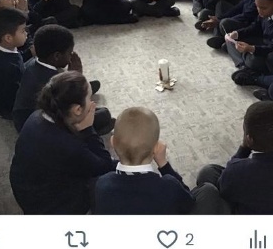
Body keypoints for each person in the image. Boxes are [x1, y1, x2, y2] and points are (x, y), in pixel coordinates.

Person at [10, 71, 116, 215]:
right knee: (110, 176)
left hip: (26, 187)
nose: (93, 104)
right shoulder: (68, 146)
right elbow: (104, 166)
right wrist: (88, 129)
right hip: (50, 206)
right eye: (90, 98)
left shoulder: (36, 115)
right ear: (77, 109)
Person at [196, 101, 273, 214]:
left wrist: (244, 148)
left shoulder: (238, 170)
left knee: (207, 175)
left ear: (248, 139)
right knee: (214, 172)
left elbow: (224, 188)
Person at [94, 107, 195, 214]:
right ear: (156, 148)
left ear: (112, 142)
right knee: (205, 188)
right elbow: (189, 202)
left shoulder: (102, 184)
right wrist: (164, 165)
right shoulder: (169, 186)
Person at [12, 24, 110, 133]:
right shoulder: (52, 82)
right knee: (104, 115)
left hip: (24, 116)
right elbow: (67, 107)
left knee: (90, 91)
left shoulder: (32, 63)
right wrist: (75, 76)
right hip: (40, 126)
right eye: (69, 53)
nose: (71, 56)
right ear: (57, 56)